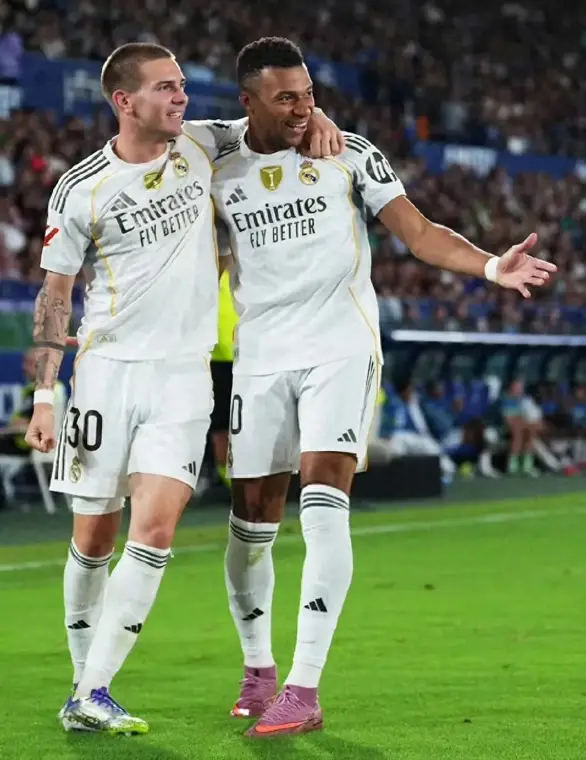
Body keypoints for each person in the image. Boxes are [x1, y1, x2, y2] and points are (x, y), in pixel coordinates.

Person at [211, 36, 557, 738]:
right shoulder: (216, 162)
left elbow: (420, 234)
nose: (303, 108)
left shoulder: (350, 154)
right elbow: (165, 133)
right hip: (259, 357)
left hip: (339, 347)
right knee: (250, 522)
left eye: (309, 95)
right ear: (247, 102)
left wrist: (493, 268)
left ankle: (304, 687)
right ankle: (258, 669)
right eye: (285, 98)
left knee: (323, 503)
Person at [24, 41, 343, 736]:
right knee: (93, 537)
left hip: (184, 378)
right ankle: (82, 683)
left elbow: (277, 120)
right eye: (166, 87)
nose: (182, 97)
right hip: (107, 373)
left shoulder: (203, 142)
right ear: (124, 101)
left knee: (157, 530)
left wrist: (318, 120)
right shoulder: (81, 187)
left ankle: (94, 691)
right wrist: (45, 397)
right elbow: (54, 296)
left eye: (181, 86)